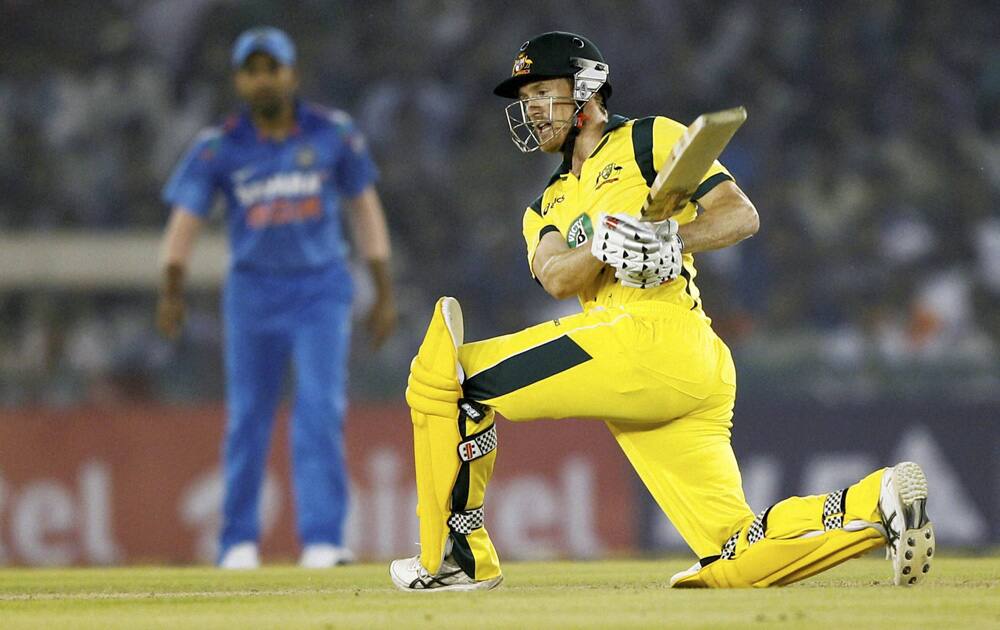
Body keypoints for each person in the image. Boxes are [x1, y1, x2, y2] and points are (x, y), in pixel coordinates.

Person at [389, 31, 934, 591]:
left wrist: (673, 237)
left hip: (656, 334)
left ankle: (457, 561)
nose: (531, 109)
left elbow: (740, 215)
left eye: (542, 92)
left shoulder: (648, 138)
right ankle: (878, 499)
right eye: (524, 100)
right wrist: (604, 243)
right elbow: (555, 276)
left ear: (586, 88)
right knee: (732, 555)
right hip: (659, 368)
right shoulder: (544, 206)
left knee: (451, 379)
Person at [157, 27, 397, 569]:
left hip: (321, 290)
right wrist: (171, 287)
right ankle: (237, 541)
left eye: (273, 67)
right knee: (248, 416)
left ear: (292, 73)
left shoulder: (334, 133)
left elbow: (365, 209)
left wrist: (383, 289)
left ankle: (323, 540)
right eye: (252, 69)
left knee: (319, 410)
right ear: (239, 79)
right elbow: (184, 224)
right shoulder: (217, 146)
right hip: (253, 292)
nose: (263, 78)